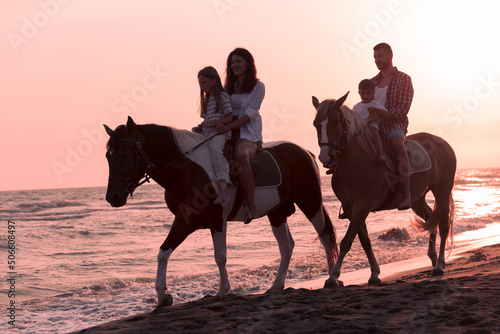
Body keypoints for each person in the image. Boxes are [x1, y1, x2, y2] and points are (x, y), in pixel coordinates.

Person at [216, 48, 265, 223]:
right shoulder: (228, 87)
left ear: (248, 64)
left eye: (239, 61)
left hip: (248, 133)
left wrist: (228, 126)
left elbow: (249, 115)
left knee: (240, 155)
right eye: (232, 62)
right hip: (227, 131)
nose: (234, 65)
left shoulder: (258, 86)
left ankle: (251, 206)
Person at [367, 43, 414, 210]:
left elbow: (402, 108)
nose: (377, 60)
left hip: (395, 124)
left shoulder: (403, 79)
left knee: (397, 146)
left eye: (380, 56)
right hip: (373, 125)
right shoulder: (371, 82)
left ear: (389, 56)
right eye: (375, 57)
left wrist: (381, 114)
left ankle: (406, 194)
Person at [192, 66, 233, 204]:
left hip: (219, 132)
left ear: (214, 80)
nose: (201, 86)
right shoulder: (207, 99)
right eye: (200, 83)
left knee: (215, 149)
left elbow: (229, 117)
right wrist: (200, 127)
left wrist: (212, 124)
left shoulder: (222, 96)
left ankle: (223, 185)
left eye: (204, 83)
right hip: (207, 132)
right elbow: (206, 119)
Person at [352, 79, 386, 164]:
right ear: (359, 93)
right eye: (363, 93)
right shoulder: (357, 106)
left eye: (368, 93)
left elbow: (385, 113)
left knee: (375, 134)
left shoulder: (375, 104)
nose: (365, 96)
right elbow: (352, 117)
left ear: (373, 93)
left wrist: (377, 115)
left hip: (371, 125)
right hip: (360, 128)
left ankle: (381, 154)